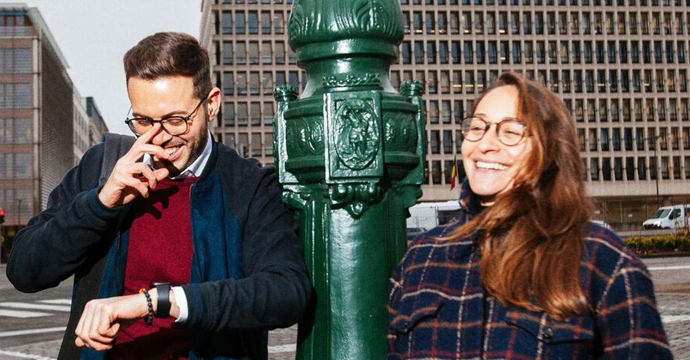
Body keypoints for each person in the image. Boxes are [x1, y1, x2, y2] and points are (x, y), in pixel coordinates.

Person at [7, 32, 311, 360]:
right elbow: (24, 271)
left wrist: (158, 301)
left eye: (175, 120)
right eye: (143, 120)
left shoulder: (250, 186)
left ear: (211, 104)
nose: (159, 136)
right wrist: (99, 203)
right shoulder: (102, 166)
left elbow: (287, 292)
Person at [388, 72, 673, 359]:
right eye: (477, 127)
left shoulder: (604, 262)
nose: (486, 143)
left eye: (510, 132)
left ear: (548, 150)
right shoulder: (420, 259)